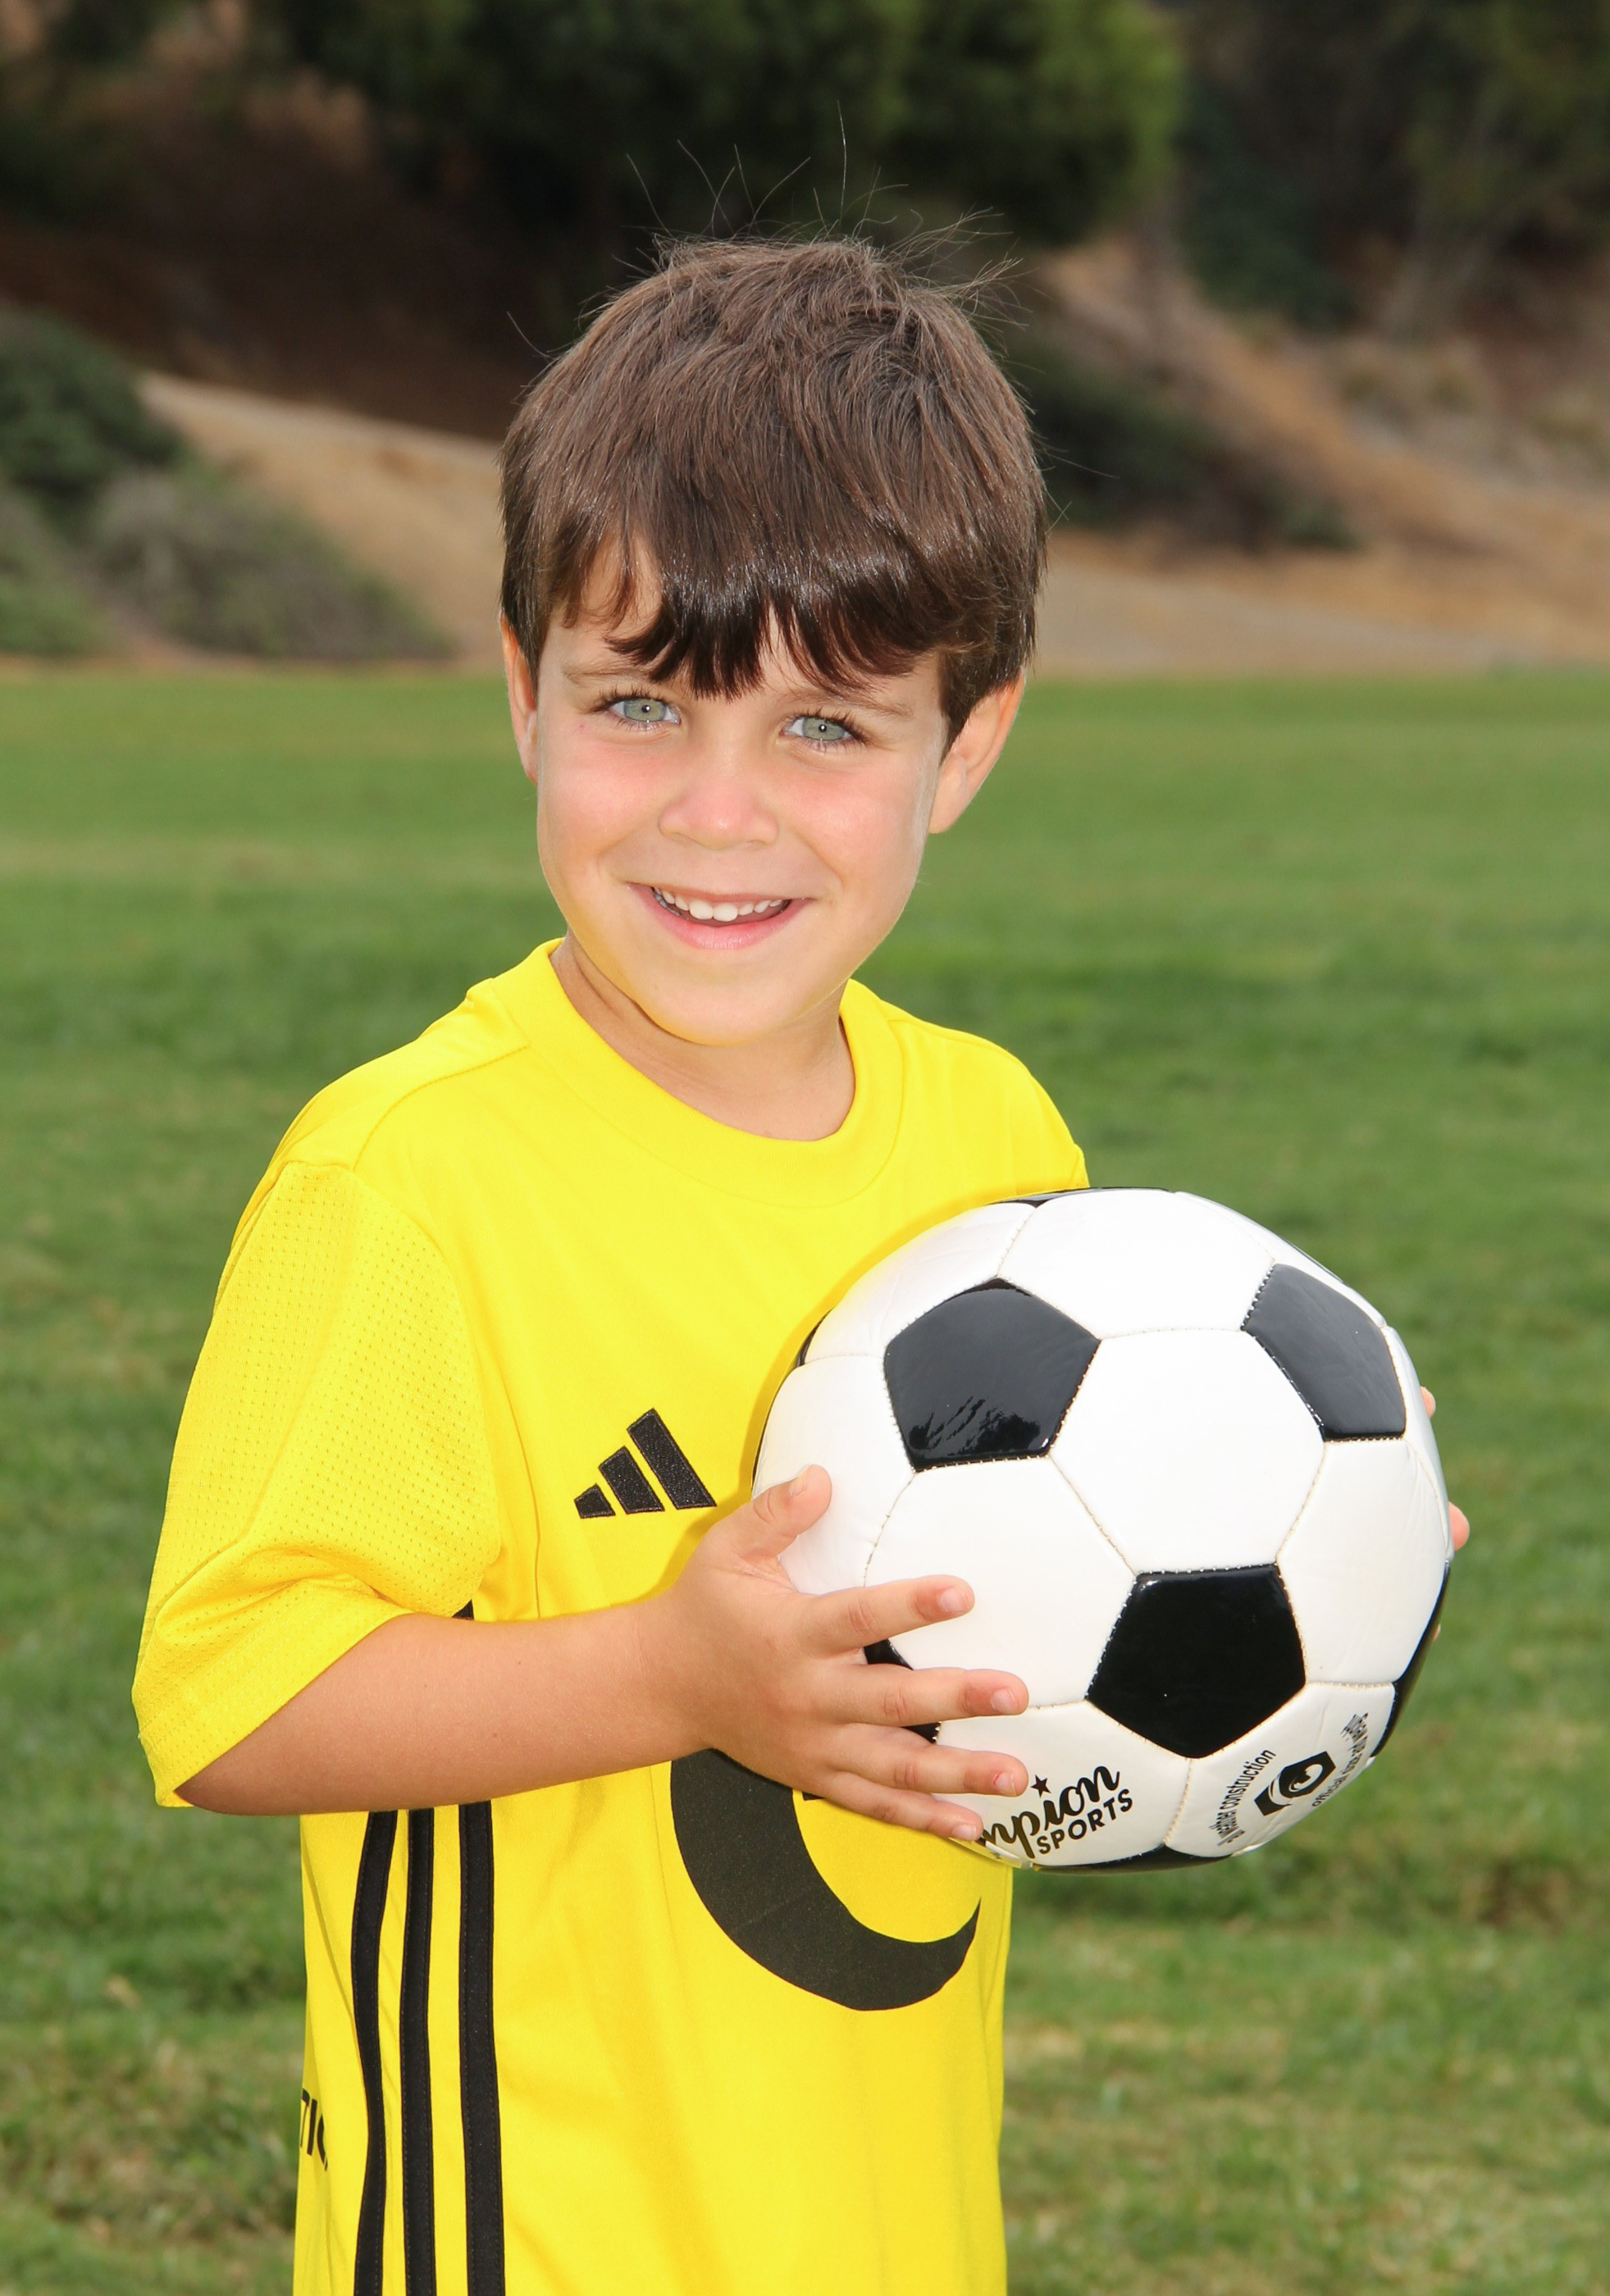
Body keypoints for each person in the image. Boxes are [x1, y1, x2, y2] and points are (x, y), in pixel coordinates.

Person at [132, 235, 1466, 2296]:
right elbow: (230, 1699)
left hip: (888, 2229)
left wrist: (1306, 1527)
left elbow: (1036, 1635)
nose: (718, 813)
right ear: (522, 692)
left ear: (968, 745)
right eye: (639, 703)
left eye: (827, 726)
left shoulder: (994, 1149)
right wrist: (670, 1676)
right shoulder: (415, 1178)